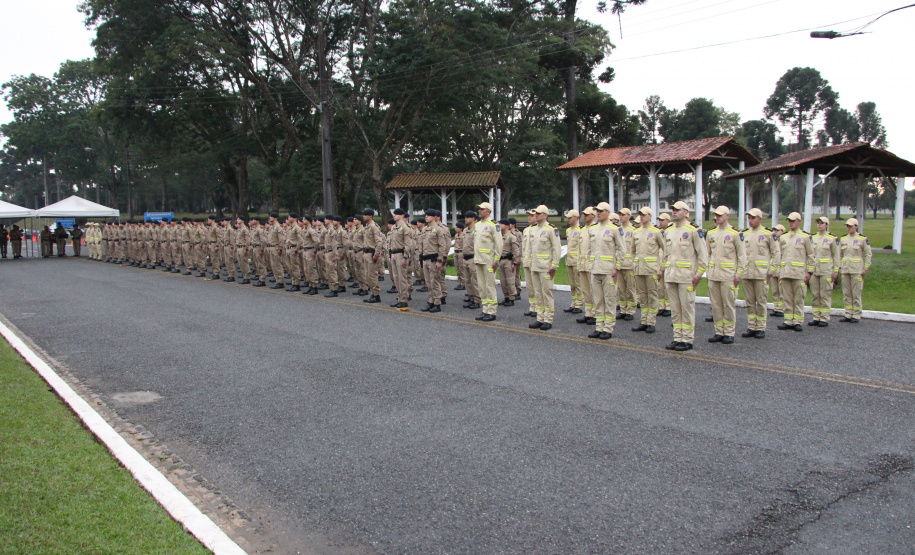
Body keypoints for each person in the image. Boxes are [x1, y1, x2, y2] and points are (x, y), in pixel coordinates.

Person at [663, 201, 708, 352]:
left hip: (687, 276)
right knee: (675, 310)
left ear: (686, 212)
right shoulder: (669, 230)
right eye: (672, 210)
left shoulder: (694, 230)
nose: (674, 212)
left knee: (687, 309)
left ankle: (687, 339)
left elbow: (703, 255)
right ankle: (677, 338)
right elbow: (666, 254)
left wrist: (699, 274)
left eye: (677, 210)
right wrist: (664, 270)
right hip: (671, 275)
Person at [705, 206, 746, 344]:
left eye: (720, 215)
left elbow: (742, 256)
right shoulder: (711, 233)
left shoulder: (735, 234)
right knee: (716, 305)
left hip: (728, 275)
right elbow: (708, 254)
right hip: (713, 274)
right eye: (716, 215)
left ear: (727, 216)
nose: (717, 217)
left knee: (728, 305)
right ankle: (719, 331)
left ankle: (729, 332)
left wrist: (738, 274)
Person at [740, 208, 780, 339]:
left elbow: (776, 253)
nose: (750, 221)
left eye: (753, 218)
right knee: (750, 301)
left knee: (761, 301)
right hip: (747, 273)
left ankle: (761, 327)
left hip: (761, 273)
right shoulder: (745, 234)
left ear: (760, 219)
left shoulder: (768, 234)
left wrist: (771, 270)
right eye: (749, 218)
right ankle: (752, 326)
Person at [587, 202, 624, 339]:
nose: (599, 213)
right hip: (596, 269)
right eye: (597, 210)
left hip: (609, 270)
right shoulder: (593, 229)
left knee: (609, 300)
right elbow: (590, 250)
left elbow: (621, 249)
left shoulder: (614, 229)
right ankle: (599, 326)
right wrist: (590, 265)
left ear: (608, 212)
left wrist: (617, 267)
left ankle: (608, 328)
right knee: (597, 300)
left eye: (602, 211)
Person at [631, 207, 666, 334]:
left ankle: (651, 322)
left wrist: (661, 268)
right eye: (640, 214)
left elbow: (665, 250)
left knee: (652, 295)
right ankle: (643, 321)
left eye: (644, 215)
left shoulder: (656, 232)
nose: (641, 217)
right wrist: (634, 263)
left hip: (652, 269)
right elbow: (632, 250)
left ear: (650, 216)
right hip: (639, 269)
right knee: (642, 295)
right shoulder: (637, 232)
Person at [777, 212, 814, 332]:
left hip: (799, 273)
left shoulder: (805, 237)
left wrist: (809, 272)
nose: (791, 223)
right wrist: (779, 270)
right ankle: (788, 320)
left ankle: (797, 321)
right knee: (787, 297)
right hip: (785, 272)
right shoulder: (783, 237)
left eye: (793, 221)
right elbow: (780, 255)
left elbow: (811, 255)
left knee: (798, 298)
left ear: (799, 221)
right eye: (789, 221)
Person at [527, 204, 561, 330]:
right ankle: (540, 318)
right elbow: (531, 249)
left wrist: (554, 266)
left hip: (546, 267)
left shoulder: (551, 229)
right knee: (537, 293)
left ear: (546, 215)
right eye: (535, 213)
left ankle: (548, 319)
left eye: (539, 213)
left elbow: (556, 249)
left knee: (546, 293)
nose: (536, 215)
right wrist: (530, 263)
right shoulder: (534, 229)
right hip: (535, 266)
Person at [838, 217, 872, 323]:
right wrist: (839, 266)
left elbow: (868, 254)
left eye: (851, 226)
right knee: (846, 293)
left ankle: (856, 314)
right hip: (845, 269)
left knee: (856, 292)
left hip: (857, 269)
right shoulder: (843, 239)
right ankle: (848, 313)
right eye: (847, 226)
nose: (848, 228)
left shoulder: (862, 239)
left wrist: (865, 268)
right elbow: (839, 254)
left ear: (856, 227)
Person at [472, 202, 502, 321]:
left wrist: (496, 260)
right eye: (479, 209)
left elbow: (498, 244)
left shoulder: (493, 225)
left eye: (482, 209)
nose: (479, 211)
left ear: (488, 211)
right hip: (479, 259)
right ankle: (485, 309)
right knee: (481, 286)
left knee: (490, 286)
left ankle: (492, 311)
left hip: (489, 260)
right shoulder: (478, 225)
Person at [808, 216, 840, 327]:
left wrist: (835, 270)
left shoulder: (832, 238)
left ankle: (824, 318)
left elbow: (836, 255)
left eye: (822, 223)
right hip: (814, 270)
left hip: (826, 270)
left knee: (825, 294)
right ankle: (816, 316)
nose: (819, 225)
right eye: (818, 223)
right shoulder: (813, 238)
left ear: (826, 225)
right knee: (815, 294)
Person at [576, 207, 597, 326]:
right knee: (586, 290)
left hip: (591, 264)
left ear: (593, 215)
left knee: (594, 290)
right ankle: (588, 313)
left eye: (587, 214)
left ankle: (595, 313)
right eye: (584, 214)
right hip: (583, 264)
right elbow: (580, 249)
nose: (585, 216)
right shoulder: (582, 230)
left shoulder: (595, 229)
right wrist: (579, 265)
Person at [616, 208, 637, 321]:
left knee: (630, 288)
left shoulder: (633, 230)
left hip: (629, 264)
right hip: (619, 264)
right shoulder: (618, 230)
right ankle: (623, 309)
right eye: (620, 215)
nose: (621, 217)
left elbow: (635, 248)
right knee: (621, 289)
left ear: (629, 216)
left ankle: (631, 310)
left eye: (623, 215)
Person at [388, 208, 412, 308]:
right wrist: (390, 254)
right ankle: (399, 297)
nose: (395, 216)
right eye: (394, 214)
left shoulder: (405, 227)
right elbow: (390, 242)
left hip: (400, 254)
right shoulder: (394, 227)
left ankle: (404, 299)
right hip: (393, 254)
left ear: (402, 216)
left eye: (397, 214)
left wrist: (406, 257)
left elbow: (408, 243)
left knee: (402, 278)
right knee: (396, 277)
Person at [563, 210, 584, 314]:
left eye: (570, 217)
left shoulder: (580, 230)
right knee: (572, 284)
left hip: (577, 260)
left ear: (576, 217)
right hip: (569, 260)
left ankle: (579, 304)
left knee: (578, 283)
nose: (569, 219)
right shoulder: (568, 230)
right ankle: (573, 302)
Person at [362, 209, 385, 303]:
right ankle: (372, 293)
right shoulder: (367, 227)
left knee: (372, 275)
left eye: (365, 215)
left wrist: (376, 254)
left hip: (372, 254)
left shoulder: (374, 227)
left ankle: (376, 295)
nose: (363, 216)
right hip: (366, 253)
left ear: (370, 216)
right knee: (367, 275)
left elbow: (379, 241)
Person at [497, 218, 520, 306]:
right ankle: (506, 297)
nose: (500, 225)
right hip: (501, 260)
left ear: (507, 226)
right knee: (503, 281)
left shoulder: (512, 236)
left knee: (510, 280)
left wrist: (514, 263)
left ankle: (511, 298)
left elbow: (515, 251)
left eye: (501, 224)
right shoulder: (499, 236)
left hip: (508, 261)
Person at [461, 212, 481, 310]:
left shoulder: (477, 230)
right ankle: (471, 298)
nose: (466, 219)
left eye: (468, 217)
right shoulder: (465, 230)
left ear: (473, 219)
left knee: (475, 281)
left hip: (473, 258)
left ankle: (477, 300)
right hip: (465, 258)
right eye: (465, 217)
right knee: (467, 280)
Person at [521, 209, 537, 317]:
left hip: (536, 262)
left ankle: (538, 308)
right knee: (530, 287)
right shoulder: (526, 230)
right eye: (529, 215)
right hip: (526, 261)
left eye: (532, 215)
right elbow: (524, 247)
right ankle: (532, 307)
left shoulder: (540, 229)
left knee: (537, 287)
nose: (529, 217)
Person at [769, 224, 787, 318]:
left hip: (781, 267)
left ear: (782, 231)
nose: (775, 232)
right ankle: (776, 308)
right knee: (775, 290)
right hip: (774, 267)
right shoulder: (773, 241)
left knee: (782, 290)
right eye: (774, 230)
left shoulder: (784, 242)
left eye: (777, 230)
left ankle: (782, 308)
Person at [656, 213, 672, 317]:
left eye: (662, 220)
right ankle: (662, 305)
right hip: (659, 262)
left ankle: (669, 306)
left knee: (667, 286)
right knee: (660, 286)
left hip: (668, 262)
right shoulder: (660, 232)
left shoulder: (671, 231)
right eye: (659, 220)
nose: (660, 222)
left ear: (668, 220)